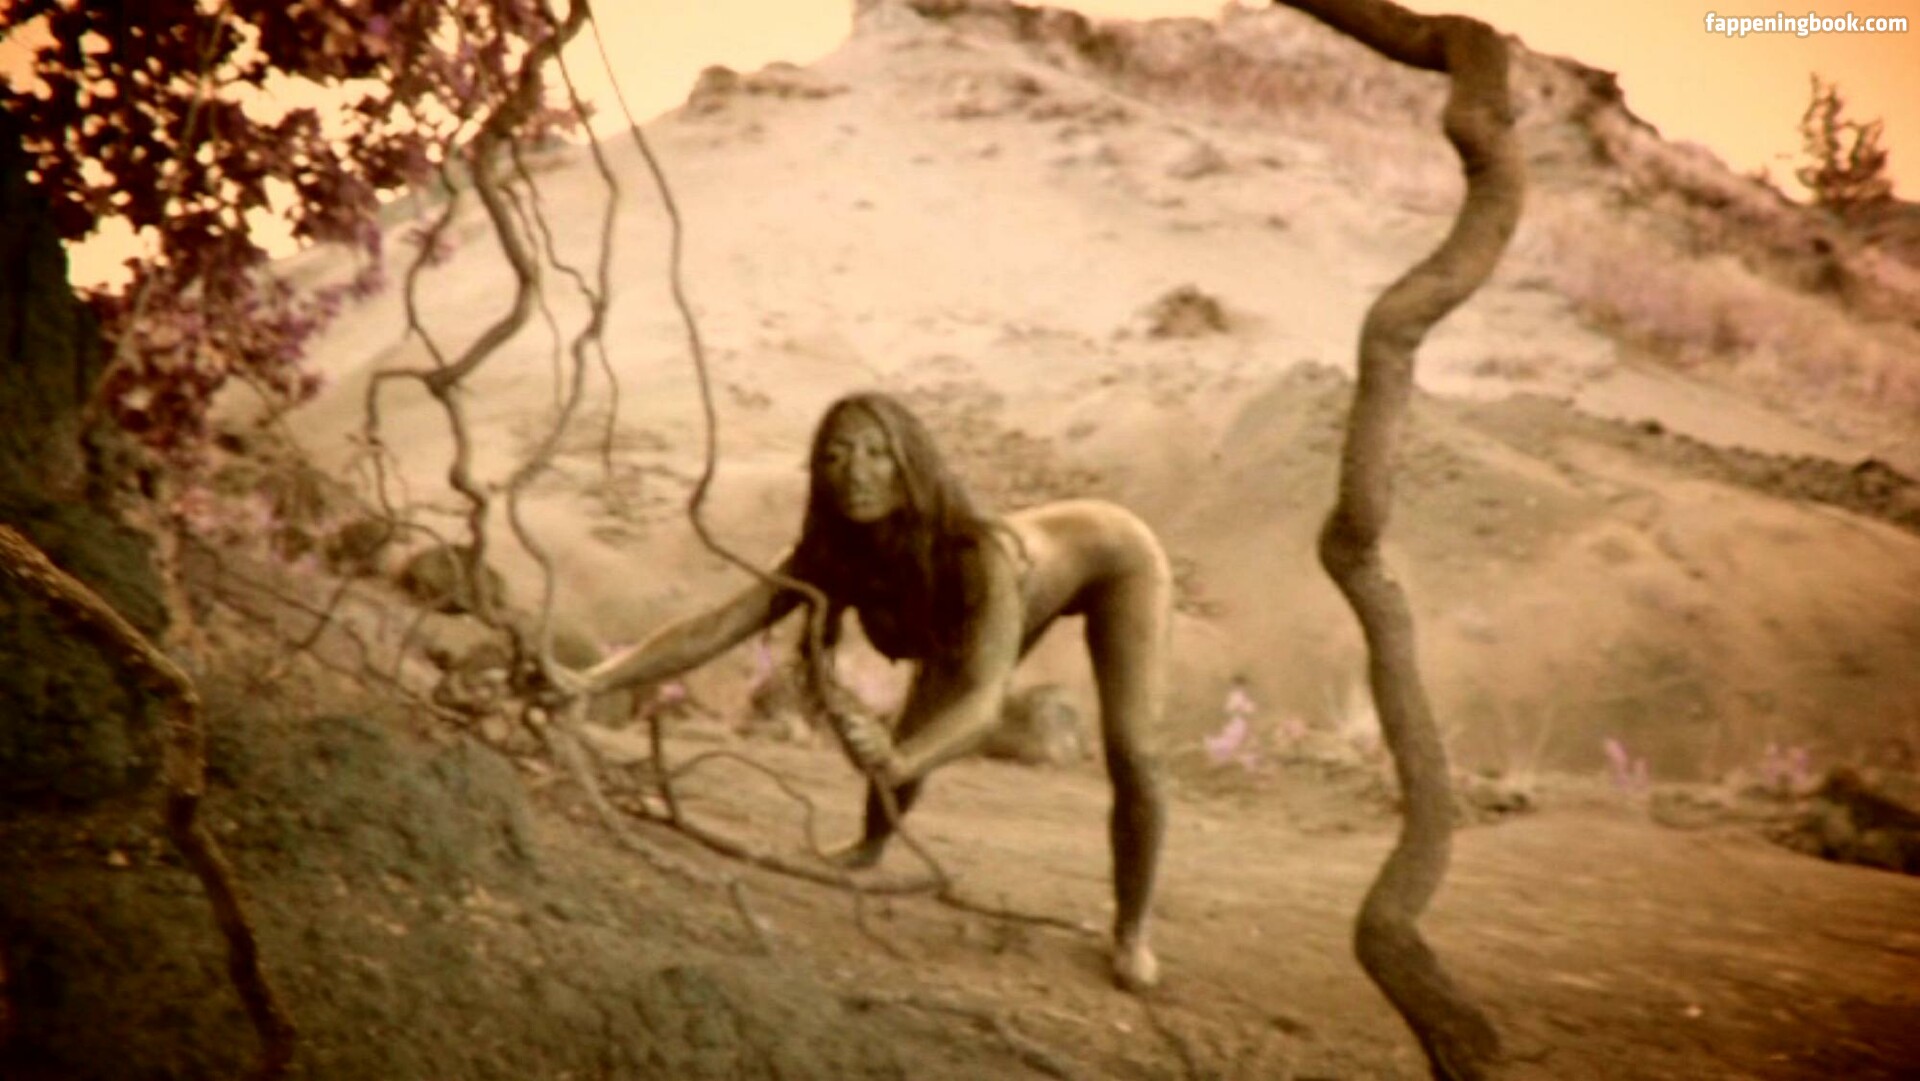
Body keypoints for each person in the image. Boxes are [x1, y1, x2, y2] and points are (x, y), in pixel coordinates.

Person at [561, 392, 1172, 992]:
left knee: (1134, 752)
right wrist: (592, 680)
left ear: (913, 465)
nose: (856, 473)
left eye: (879, 454)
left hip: (1113, 558)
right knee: (917, 726)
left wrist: (898, 760)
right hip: (997, 600)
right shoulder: (825, 555)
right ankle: (871, 843)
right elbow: (717, 628)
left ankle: (1132, 930)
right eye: (837, 455)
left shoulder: (976, 557)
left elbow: (984, 703)